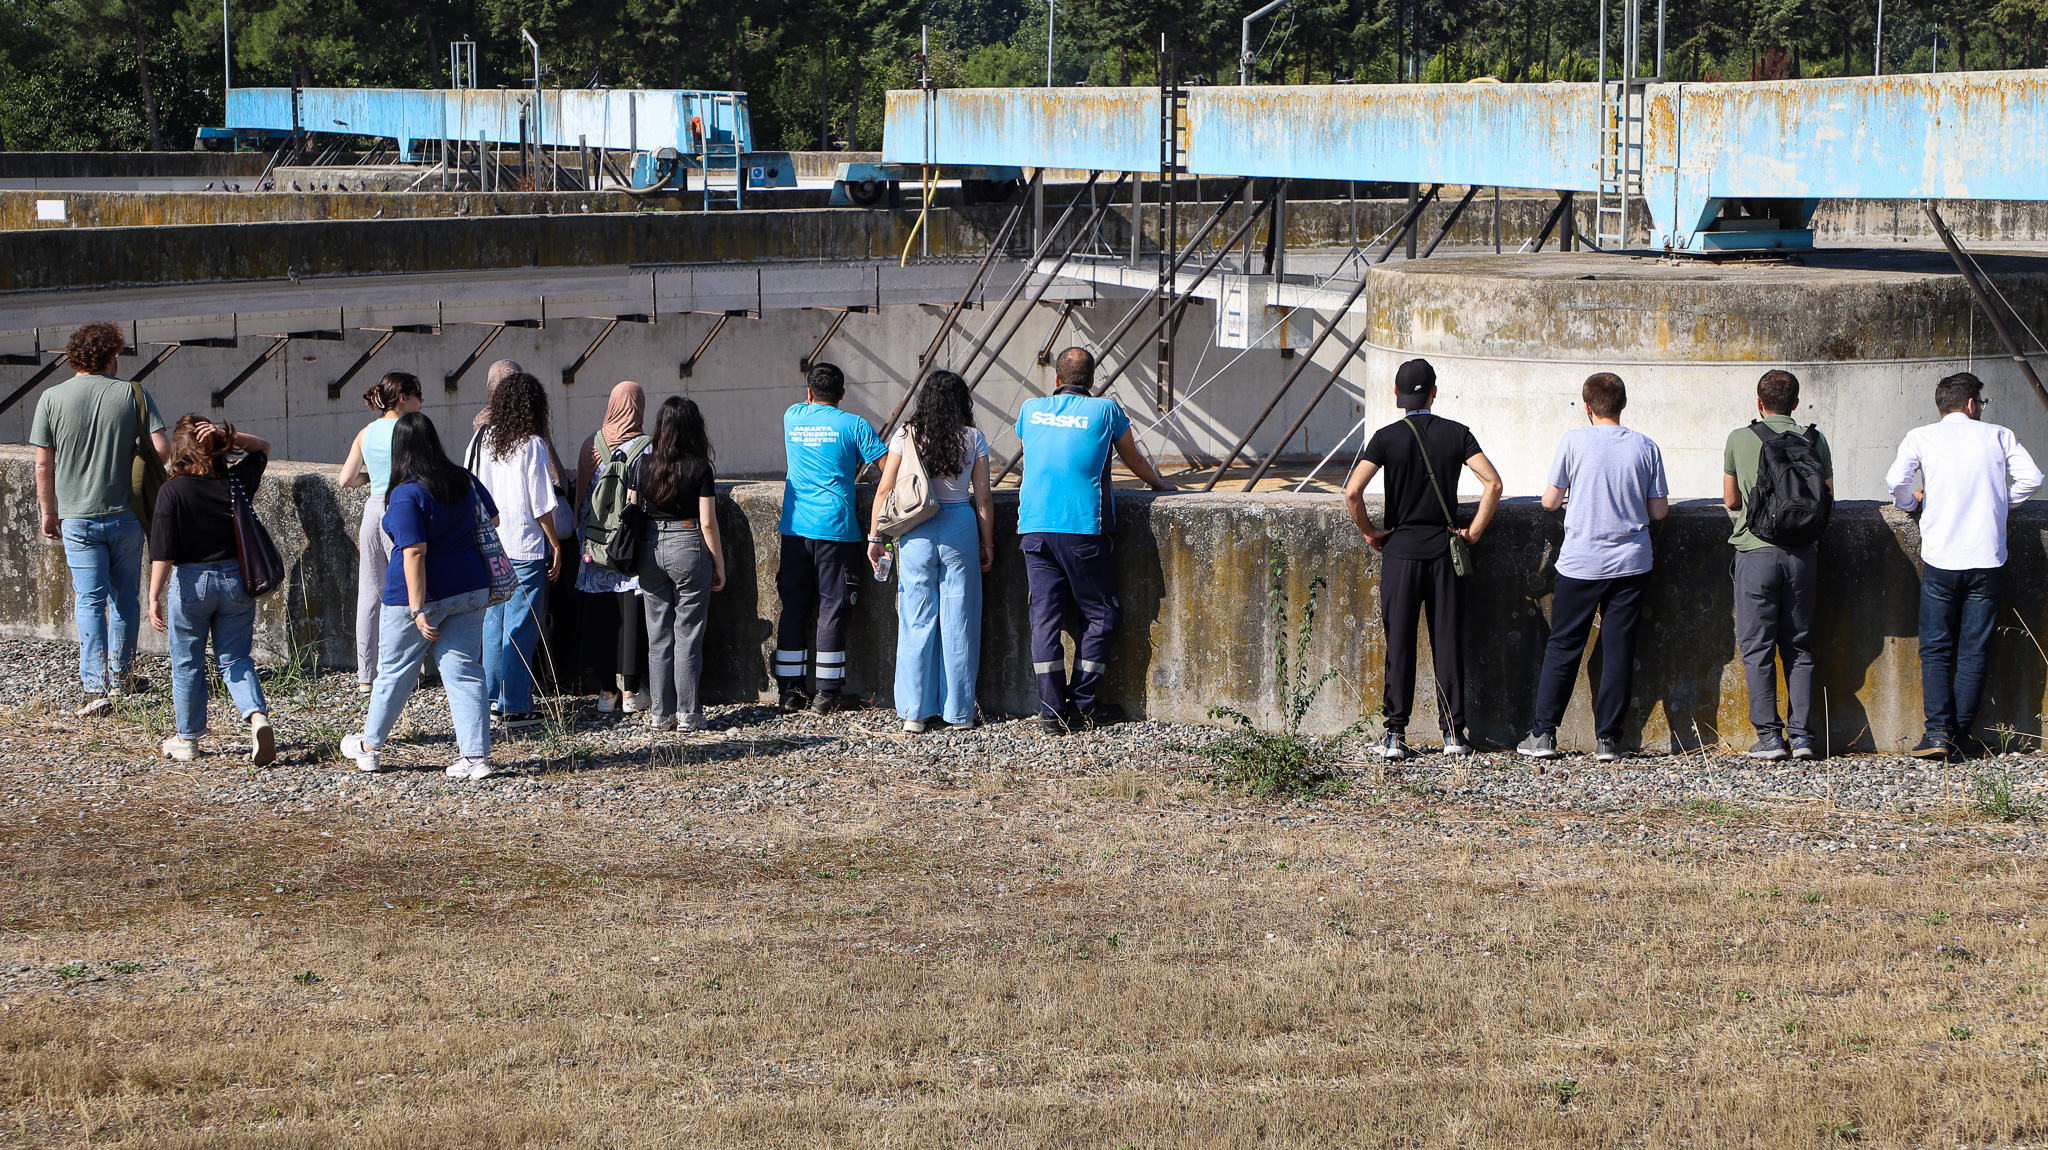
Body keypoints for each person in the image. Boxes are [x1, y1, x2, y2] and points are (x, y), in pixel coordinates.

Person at [1342, 358, 1503, 760]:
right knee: (1446, 641)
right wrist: (1475, 531)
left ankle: (1395, 735)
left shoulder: (1385, 438)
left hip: (1400, 554)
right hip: (1444, 552)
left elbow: (1352, 492)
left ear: (1397, 395)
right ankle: (1453, 735)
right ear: (1434, 392)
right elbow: (1493, 483)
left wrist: (1370, 531)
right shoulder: (1457, 434)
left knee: (1400, 641)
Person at [1014, 347, 1177, 733]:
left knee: (1044, 622)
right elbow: (1133, 460)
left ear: (1056, 379)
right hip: (1083, 528)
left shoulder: (1029, 409)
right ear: (1091, 381)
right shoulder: (1106, 410)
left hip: (1033, 528)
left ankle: (1051, 713)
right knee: (1102, 616)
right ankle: (1083, 704)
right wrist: (1160, 484)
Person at [1886, 372, 2043, 759]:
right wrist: (2001, 501)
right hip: (1987, 557)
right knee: (1974, 648)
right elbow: (2033, 478)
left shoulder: (1921, 436)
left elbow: (1896, 481)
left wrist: (1910, 505)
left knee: (1937, 648)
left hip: (1941, 557)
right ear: (1972, 404)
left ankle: (1937, 733)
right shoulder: (1998, 435)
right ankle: (1959, 735)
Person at [1518, 372, 1669, 763]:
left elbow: (1551, 502)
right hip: (1632, 564)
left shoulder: (1574, 441)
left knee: (1564, 647)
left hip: (1580, 563)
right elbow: (1659, 510)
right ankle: (1607, 741)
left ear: (1587, 407)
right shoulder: (1645, 446)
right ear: (1622, 404)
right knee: (1618, 650)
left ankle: (1544, 735)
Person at [340, 413, 498, 780]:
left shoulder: (406, 492)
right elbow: (492, 520)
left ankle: (370, 747)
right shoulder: (463, 479)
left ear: (400, 450)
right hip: (470, 587)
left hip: (418, 596)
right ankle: (476, 759)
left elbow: (413, 551)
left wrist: (417, 609)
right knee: (465, 672)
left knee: (393, 672)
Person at [31, 321, 169, 716]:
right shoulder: (130, 394)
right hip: (125, 514)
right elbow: (161, 449)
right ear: (112, 356)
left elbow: (43, 466)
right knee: (125, 599)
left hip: (76, 516)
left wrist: (48, 511)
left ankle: (95, 687)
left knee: (89, 599)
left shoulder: (51, 398)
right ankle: (122, 678)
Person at [867, 370, 996, 733]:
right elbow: (983, 497)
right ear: (962, 401)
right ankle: (960, 713)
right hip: (960, 527)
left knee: (915, 619)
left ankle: (914, 713)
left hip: (915, 529)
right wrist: (987, 544)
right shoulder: (973, 438)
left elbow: (884, 491)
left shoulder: (906, 435)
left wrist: (874, 537)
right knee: (960, 622)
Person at [146, 415, 278, 765]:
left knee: (187, 661)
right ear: (217, 445)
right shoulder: (235, 481)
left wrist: (153, 596)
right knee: (234, 657)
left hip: (192, 583)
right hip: (237, 580)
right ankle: (256, 717)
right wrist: (228, 435)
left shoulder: (172, 490)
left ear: (179, 450)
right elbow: (263, 447)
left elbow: (162, 552)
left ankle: (187, 739)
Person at [1724, 369, 1834, 761]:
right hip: (1803, 555)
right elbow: (1827, 498)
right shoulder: (1815, 440)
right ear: (1796, 402)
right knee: (1799, 647)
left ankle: (1770, 738)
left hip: (1756, 552)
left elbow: (1732, 501)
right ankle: (1803, 737)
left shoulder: (1740, 438)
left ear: (1759, 402)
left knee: (1757, 647)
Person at [775, 362, 886, 714]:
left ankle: (790, 691)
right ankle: (827, 692)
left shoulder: (792, 416)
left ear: (809, 393)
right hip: (837, 530)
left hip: (795, 529)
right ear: (842, 394)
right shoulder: (854, 425)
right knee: (832, 609)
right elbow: (888, 468)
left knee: (793, 607)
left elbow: (806, 407)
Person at [630, 397, 727, 731]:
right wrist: (719, 564)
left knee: (657, 636)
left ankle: (660, 714)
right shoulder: (699, 468)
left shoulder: (642, 465)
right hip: (687, 544)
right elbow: (708, 523)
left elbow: (632, 510)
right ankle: (688, 714)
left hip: (649, 547)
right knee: (688, 633)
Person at [472, 372, 561, 730]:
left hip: (491, 544)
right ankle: (515, 705)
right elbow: (541, 503)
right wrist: (555, 543)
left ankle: (492, 698)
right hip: (524, 544)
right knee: (521, 627)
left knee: (493, 626)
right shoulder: (532, 445)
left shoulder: (484, 439)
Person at [338, 371, 424, 695]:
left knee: (369, 595)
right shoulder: (410, 431)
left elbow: (345, 479)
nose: (422, 402)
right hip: (402, 506)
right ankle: (402, 669)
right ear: (404, 397)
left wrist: (373, 481)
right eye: (418, 395)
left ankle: (365, 675)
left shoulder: (366, 431)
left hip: (373, 509)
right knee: (405, 590)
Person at [574, 381, 652, 714]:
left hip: (595, 544)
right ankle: (632, 692)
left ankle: (607, 694)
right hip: (630, 545)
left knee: (602, 616)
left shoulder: (591, 446)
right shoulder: (649, 448)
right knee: (632, 616)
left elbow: (579, 499)